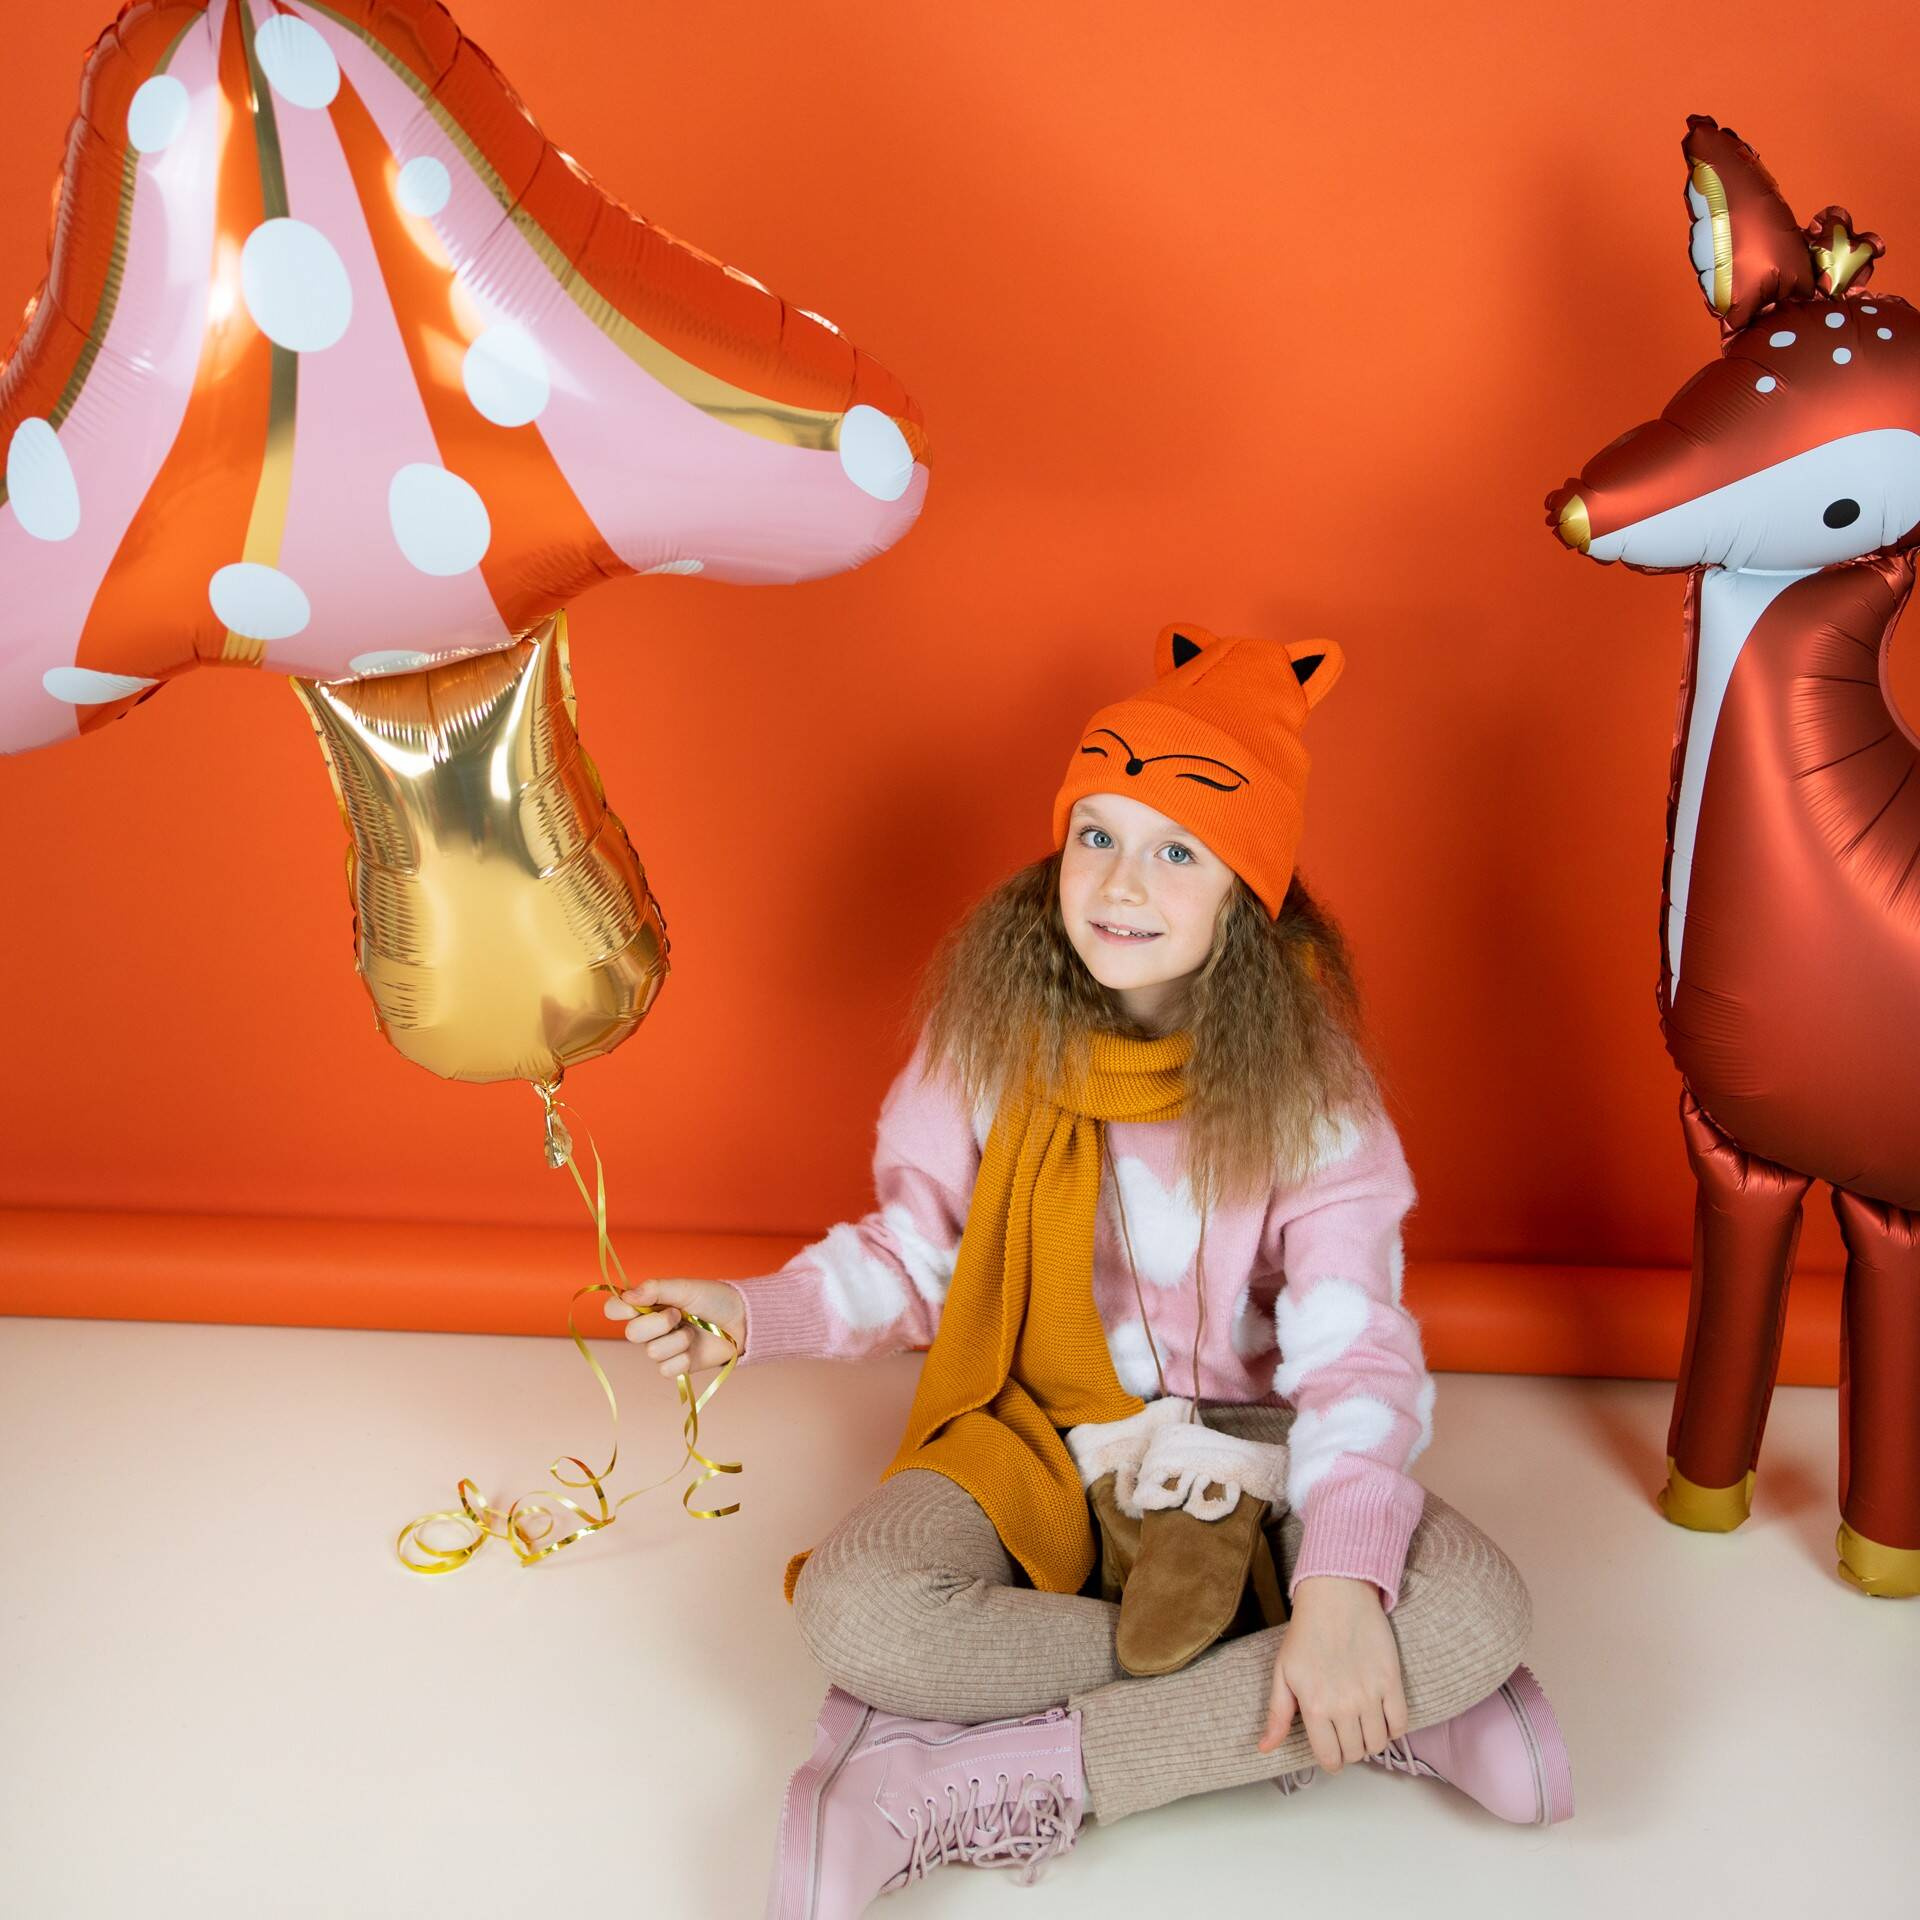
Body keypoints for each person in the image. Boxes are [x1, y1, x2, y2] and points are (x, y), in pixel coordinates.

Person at [607, 623, 1572, 1918]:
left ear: (1245, 893)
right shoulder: (985, 1039)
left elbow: (1353, 1355)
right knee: (858, 1614)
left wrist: (1343, 1586)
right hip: (1038, 1430)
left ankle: (960, 1780)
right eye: (1097, 835)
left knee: (1475, 1614)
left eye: (1179, 850)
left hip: (1259, 1442)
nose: (1122, 881)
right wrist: (744, 1315)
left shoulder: (1312, 1089)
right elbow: (917, 1256)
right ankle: (1365, 1701)